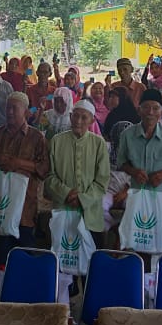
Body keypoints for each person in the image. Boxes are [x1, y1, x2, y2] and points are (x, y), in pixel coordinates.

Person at [0, 91, 50, 267]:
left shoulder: (36, 137)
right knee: (0, 259)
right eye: (7, 108)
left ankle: (22, 293)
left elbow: (44, 169)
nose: (9, 112)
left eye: (14, 108)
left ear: (25, 111)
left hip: (25, 208)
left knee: (24, 258)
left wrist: (18, 163)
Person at [117, 88, 162, 253]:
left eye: (155, 108)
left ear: (161, 111)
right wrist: (134, 171)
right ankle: (141, 277)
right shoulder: (127, 135)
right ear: (139, 110)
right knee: (140, 244)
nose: (150, 112)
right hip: (139, 196)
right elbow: (122, 163)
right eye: (146, 107)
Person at [46, 99, 110, 250]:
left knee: (91, 265)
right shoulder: (57, 141)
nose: (78, 121)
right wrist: (67, 194)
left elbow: (102, 180)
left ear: (92, 120)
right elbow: (49, 177)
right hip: (63, 210)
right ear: (70, 116)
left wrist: (82, 199)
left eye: (84, 117)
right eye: (75, 116)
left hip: (90, 214)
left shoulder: (99, 143)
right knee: (64, 262)